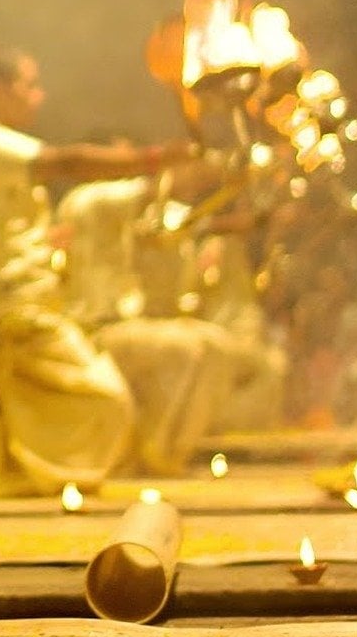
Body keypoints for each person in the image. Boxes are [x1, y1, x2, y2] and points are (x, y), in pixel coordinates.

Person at [0, 45, 193, 497]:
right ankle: (4, 470)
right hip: (12, 308)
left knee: (57, 403)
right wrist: (156, 158)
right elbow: (69, 162)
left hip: (17, 305)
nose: (40, 95)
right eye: (30, 84)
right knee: (107, 398)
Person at [55, 164, 237, 477]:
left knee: (219, 347)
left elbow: (190, 220)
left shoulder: (132, 214)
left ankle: (171, 453)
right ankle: (149, 455)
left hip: (133, 323)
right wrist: (180, 168)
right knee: (182, 350)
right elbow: (151, 191)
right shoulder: (89, 201)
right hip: (95, 328)